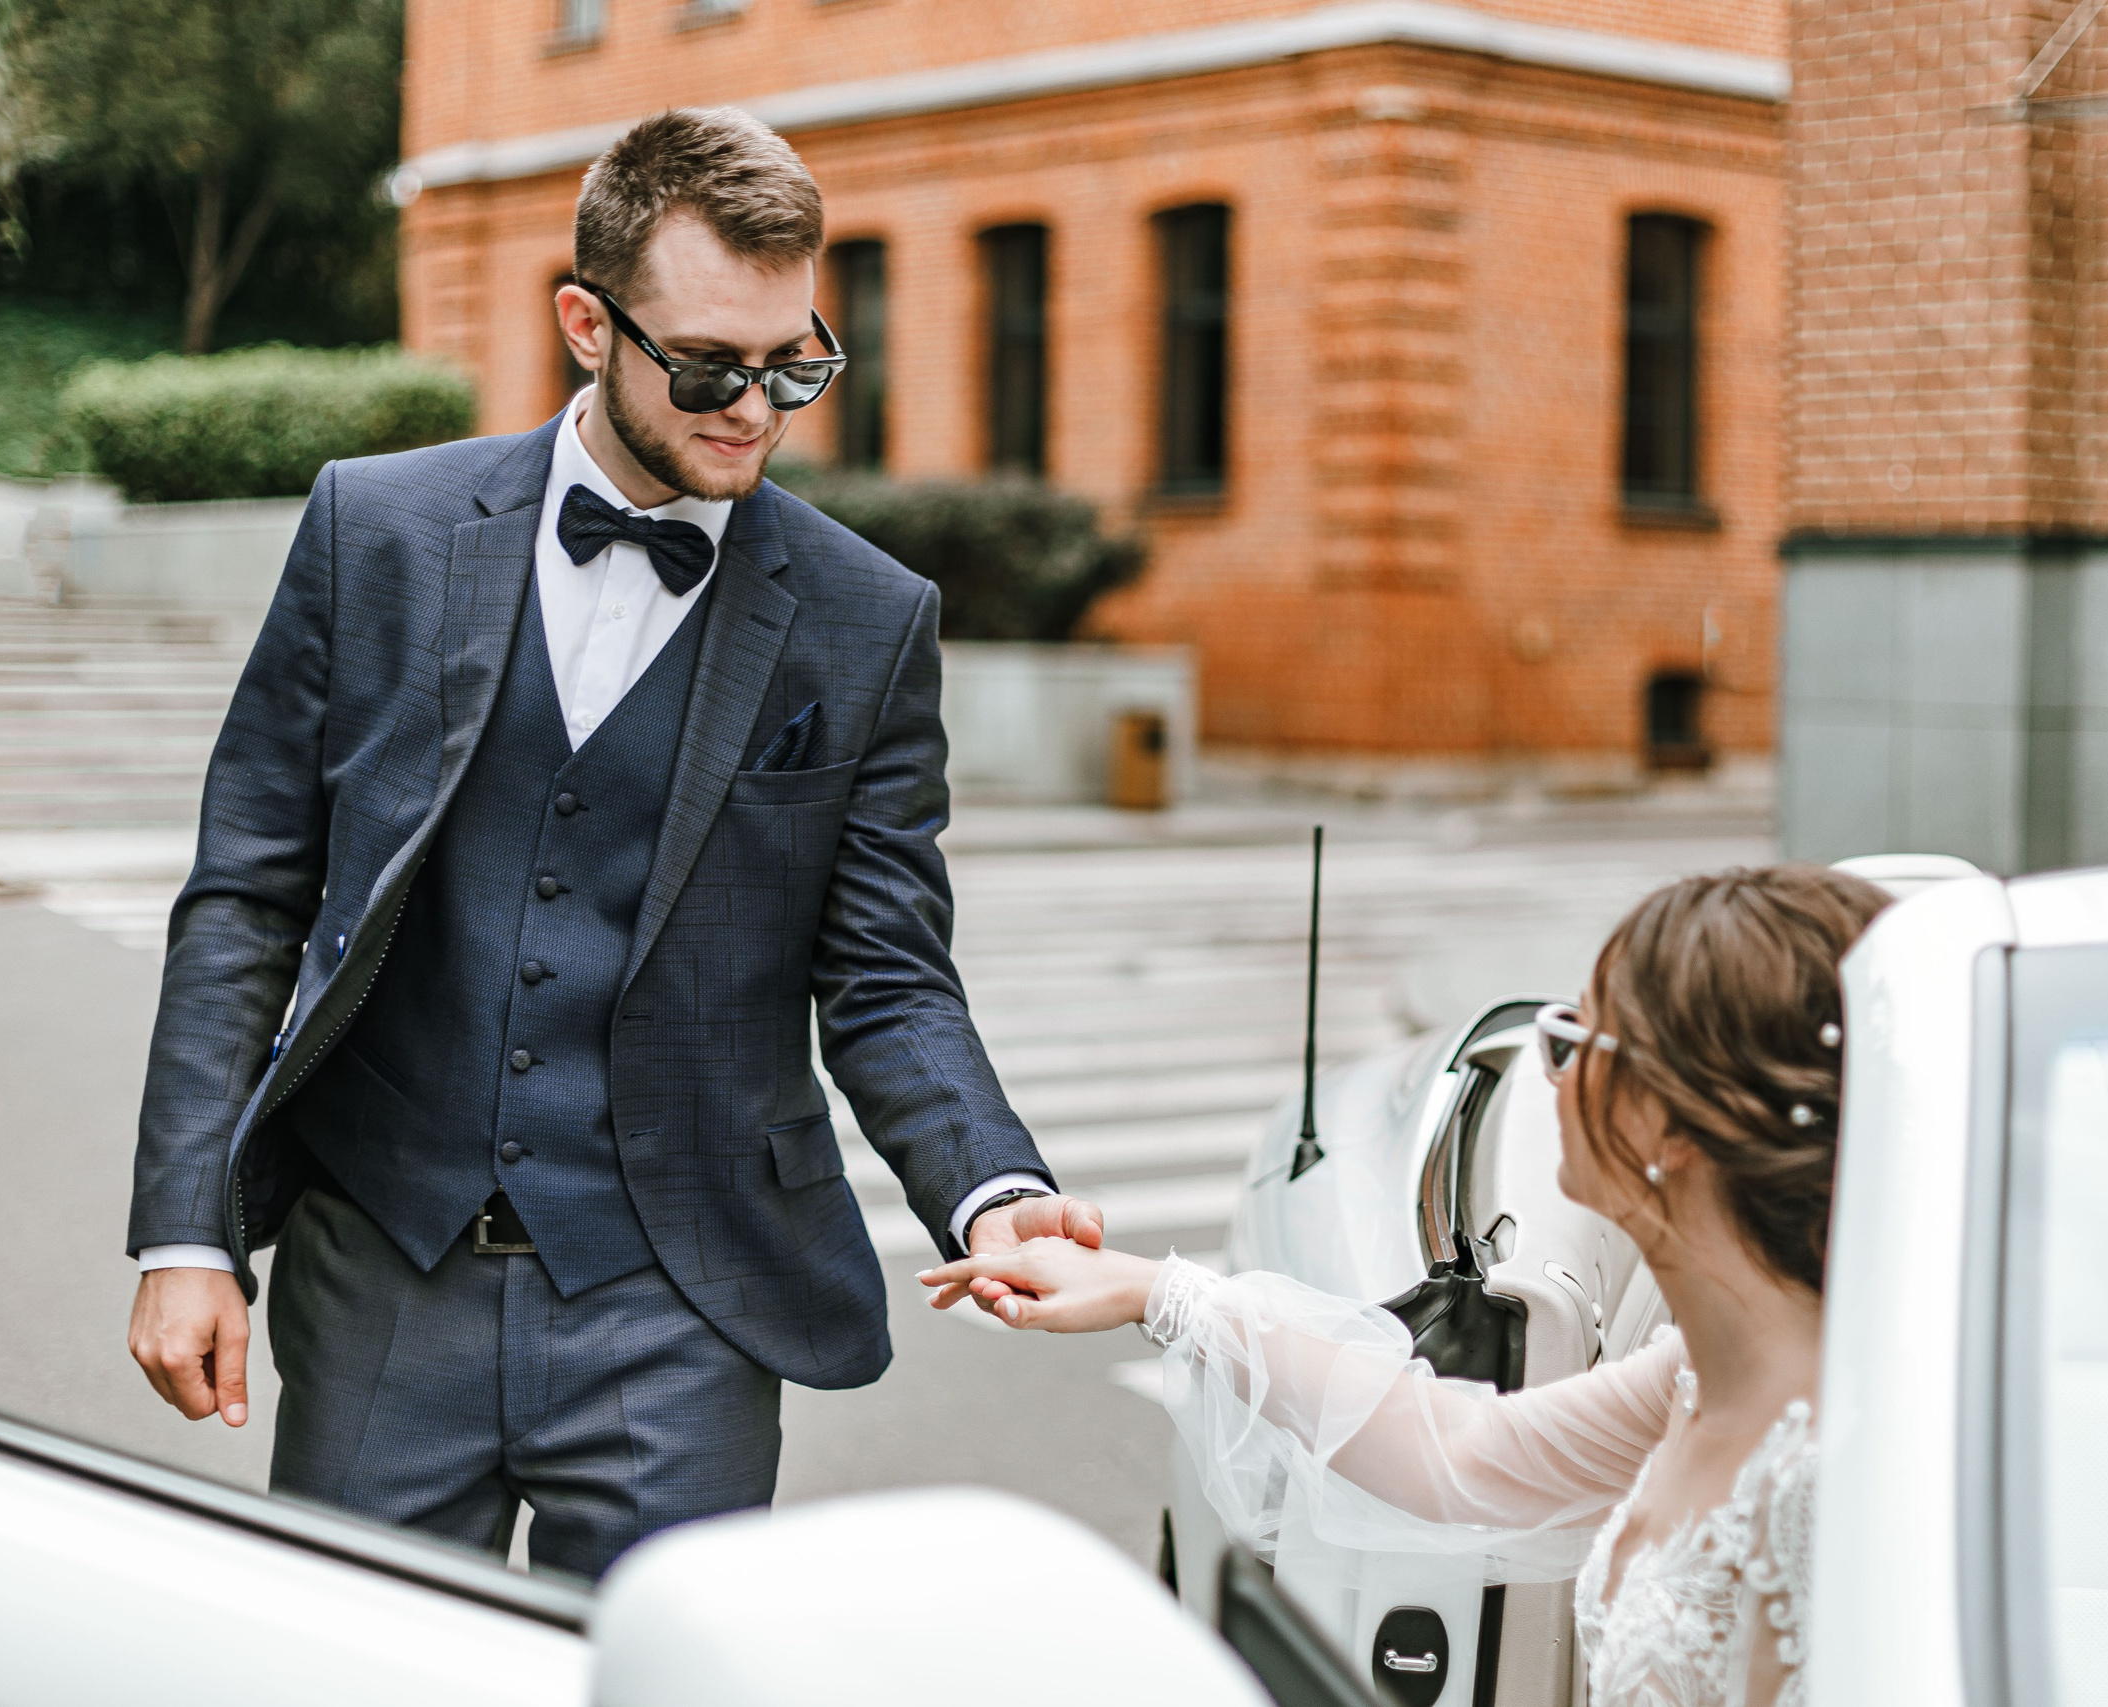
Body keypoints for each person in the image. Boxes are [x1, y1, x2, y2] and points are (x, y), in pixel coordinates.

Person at [124, 107, 1099, 1579]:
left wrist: (994, 1183)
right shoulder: (372, 531)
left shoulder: (867, 616)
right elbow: (246, 898)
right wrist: (185, 1230)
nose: (755, 409)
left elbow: (889, 974)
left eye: (796, 365)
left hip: (682, 1307)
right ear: (587, 323)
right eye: (710, 366)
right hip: (384, 1264)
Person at [921, 865, 1889, 1707]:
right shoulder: (1694, 1371)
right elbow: (1463, 1453)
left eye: (1571, 1043)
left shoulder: (1838, 1454)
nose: (1545, 1081)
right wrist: (1157, 1293)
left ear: (1673, 1130)